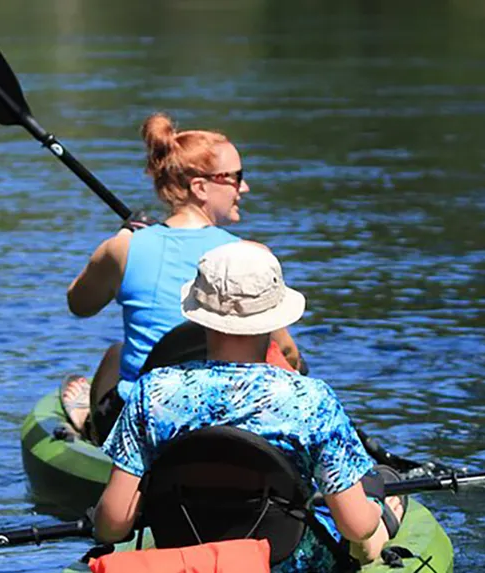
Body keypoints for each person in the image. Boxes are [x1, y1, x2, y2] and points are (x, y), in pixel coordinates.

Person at [93, 242, 405, 571]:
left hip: (186, 562)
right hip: (285, 565)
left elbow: (112, 525)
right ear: (275, 315)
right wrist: (374, 510)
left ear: (200, 312)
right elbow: (355, 526)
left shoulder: (152, 393)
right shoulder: (311, 400)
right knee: (367, 526)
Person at [63, 112, 305, 444]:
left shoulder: (124, 248)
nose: (244, 187)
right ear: (200, 187)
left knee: (116, 353)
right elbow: (287, 352)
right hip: (232, 417)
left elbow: (79, 303)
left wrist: (123, 238)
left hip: (148, 420)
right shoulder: (251, 256)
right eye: (236, 177)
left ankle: (93, 427)